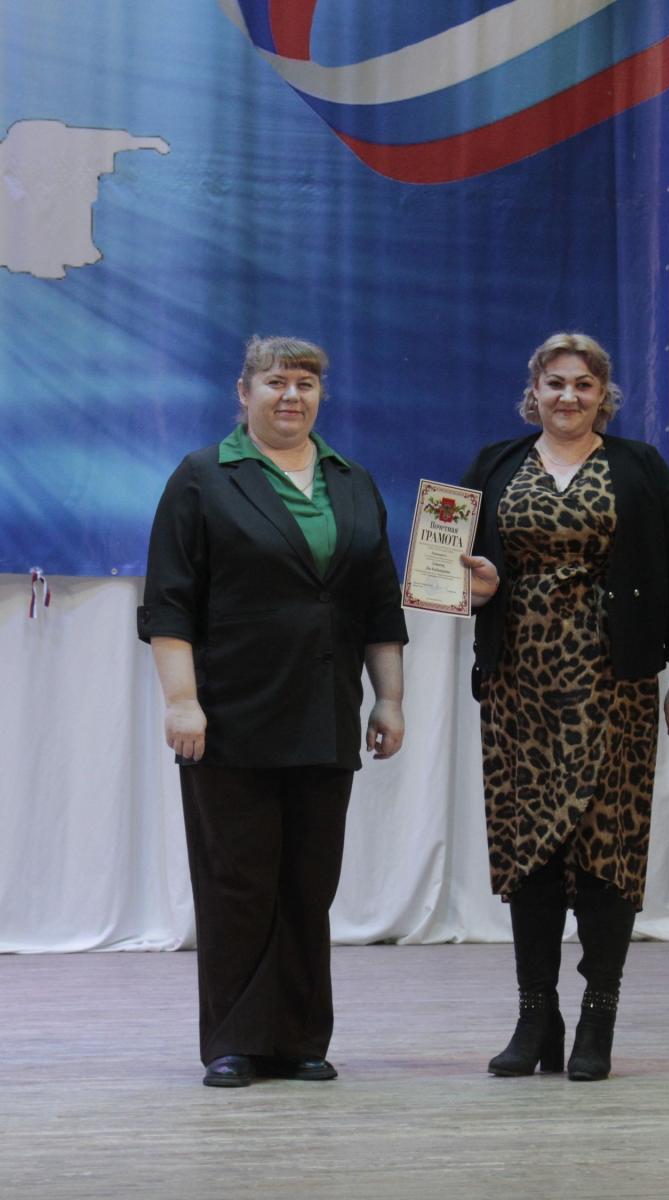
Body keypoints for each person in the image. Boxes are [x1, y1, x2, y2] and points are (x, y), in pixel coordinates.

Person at [138, 335, 407, 1088]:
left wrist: (390, 697)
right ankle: (235, 1040)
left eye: (306, 384)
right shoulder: (203, 477)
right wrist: (182, 701)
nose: (292, 396)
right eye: (276, 382)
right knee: (238, 882)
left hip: (325, 712)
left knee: (308, 883)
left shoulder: (351, 480)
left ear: (321, 395)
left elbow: (378, 603)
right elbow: (169, 602)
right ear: (244, 392)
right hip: (230, 717)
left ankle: (298, 1039)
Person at [460, 332, 669, 1081]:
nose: (568, 396)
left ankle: (598, 1016)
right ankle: (536, 1015)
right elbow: (449, 575)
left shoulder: (641, 468)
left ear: (604, 396)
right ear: (533, 391)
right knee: (529, 849)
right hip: (520, 684)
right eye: (555, 383)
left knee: (607, 848)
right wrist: (476, 588)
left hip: (615, 681)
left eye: (584, 384)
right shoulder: (494, 465)